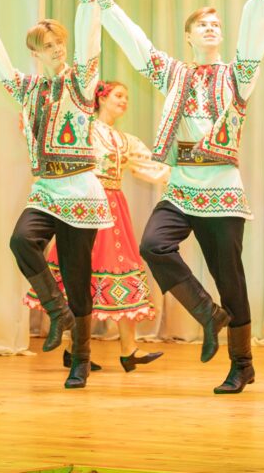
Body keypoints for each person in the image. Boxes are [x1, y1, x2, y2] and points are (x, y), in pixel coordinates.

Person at [89, 0, 264, 394]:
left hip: (223, 189)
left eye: (216, 24)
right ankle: (207, 314)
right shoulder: (174, 74)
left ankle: (242, 364)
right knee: (154, 245)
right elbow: (137, 45)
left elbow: (254, 39)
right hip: (182, 185)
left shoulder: (237, 75)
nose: (211, 28)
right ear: (188, 37)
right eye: (202, 25)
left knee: (230, 279)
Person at [0, 0, 113, 389]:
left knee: (77, 276)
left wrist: (90, 0)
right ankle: (56, 311)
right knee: (21, 241)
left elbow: (89, 47)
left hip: (80, 190)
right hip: (47, 190)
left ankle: (80, 360)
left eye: (60, 42)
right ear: (36, 52)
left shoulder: (81, 82)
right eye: (49, 45)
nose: (58, 49)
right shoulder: (28, 89)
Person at [25, 80, 170, 372]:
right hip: (86, 206)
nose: (124, 101)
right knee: (82, 273)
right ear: (101, 98)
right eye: (118, 95)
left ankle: (128, 349)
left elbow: (151, 165)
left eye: (127, 97)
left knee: (123, 271)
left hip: (114, 210)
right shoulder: (85, 130)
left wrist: (185, 177)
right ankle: (76, 349)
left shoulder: (124, 140)